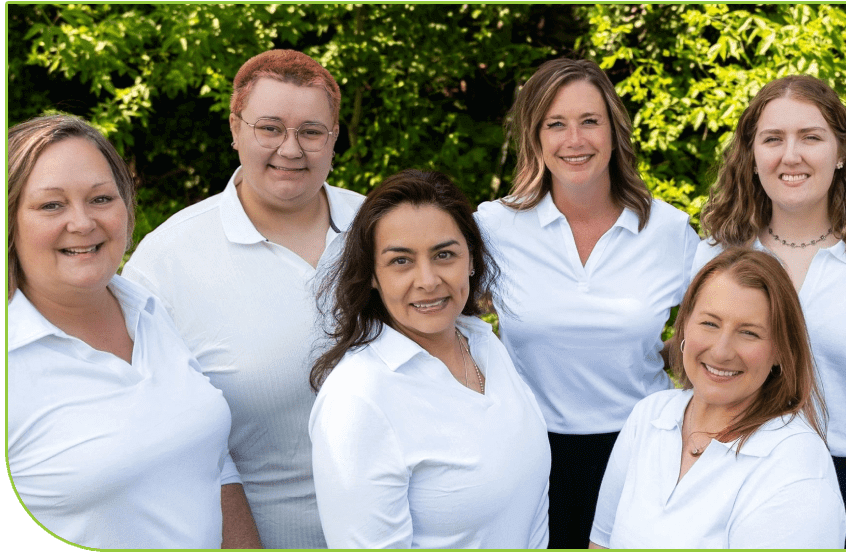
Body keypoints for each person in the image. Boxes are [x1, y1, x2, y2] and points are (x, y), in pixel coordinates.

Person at [122, 49, 363, 548]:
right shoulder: (166, 261)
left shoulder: (379, 228)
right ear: (235, 128)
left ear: (334, 136)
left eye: (311, 132)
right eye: (269, 128)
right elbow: (156, 443)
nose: (291, 149)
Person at [693, 74, 846, 548]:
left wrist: (835, 435)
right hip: (728, 476)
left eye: (811, 137)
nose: (791, 155)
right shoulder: (713, 255)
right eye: (773, 139)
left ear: (841, 152)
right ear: (752, 154)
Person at [474, 58, 701, 548]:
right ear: (534, 137)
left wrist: (669, 357)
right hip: (525, 452)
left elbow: (707, 333)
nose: (574, 140)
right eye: (555, 124)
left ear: (615, 130)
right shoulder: (492, 227)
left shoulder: (668, 231)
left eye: (589, 121)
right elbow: (447, 321)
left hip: (642, 449)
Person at [7, 114, 260, 548]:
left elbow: (211, 463)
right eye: (52, 204)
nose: (82, 222)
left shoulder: (149, 309)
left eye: (101, 199)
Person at [307, 169, 551, 549]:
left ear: (471, 258)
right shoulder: (357, 401)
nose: (428, 280)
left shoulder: (484, 344)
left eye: (444, 255)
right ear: (372, 274)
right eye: (401, 261)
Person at [589, 247, 846, 549]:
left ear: (779, 351)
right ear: (683, 326)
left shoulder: (794, 461)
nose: (722, 351)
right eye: (710, 323)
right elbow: (602, 543)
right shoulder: (649, 416)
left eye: (749, 333)